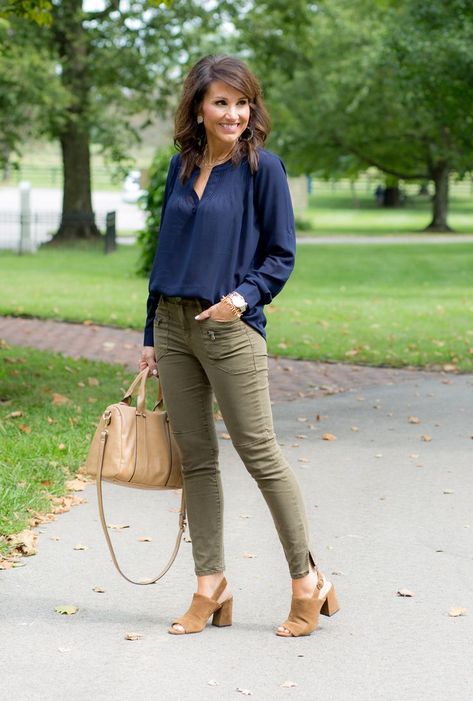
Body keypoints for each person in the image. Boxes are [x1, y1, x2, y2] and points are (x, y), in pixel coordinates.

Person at [139, 54, 339, 637]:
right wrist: (152, 334)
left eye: (242, 102)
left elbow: (281, 256)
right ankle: (212, 585)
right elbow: (165, 256)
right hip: (175, 328)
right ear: (199, 108)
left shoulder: (263, 169)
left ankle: (307, 582)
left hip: (231, 329)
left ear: (252, 108)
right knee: (197, 459)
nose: (232, 113)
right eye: (220, 102)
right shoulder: (182, 166)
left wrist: (241, 300)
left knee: (260, 453)